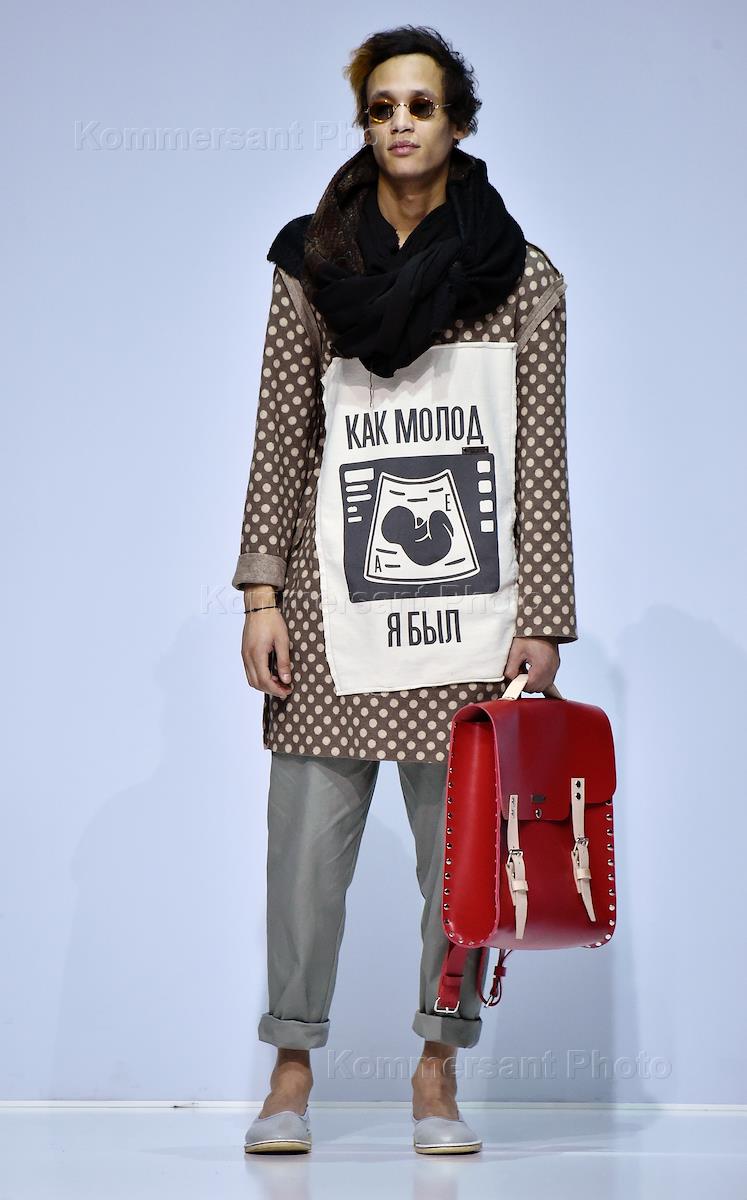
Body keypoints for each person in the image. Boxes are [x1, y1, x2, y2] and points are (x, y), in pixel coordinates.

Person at [234, 25, 578, 1155]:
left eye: (420, 106)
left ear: (457, 123)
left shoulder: (521, 277)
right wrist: (262, 594)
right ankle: (291, 1067)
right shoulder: (313, 266)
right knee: (303, 857)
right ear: (365, 123)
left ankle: (437, 1070)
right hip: (332, 609)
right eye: (382, 107)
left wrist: (544, 618)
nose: (399, 124)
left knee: (462, 862)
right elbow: (282, 434)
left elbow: (539, 457)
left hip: (471, 614)